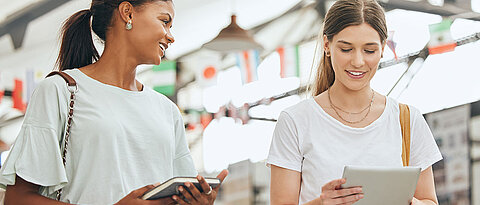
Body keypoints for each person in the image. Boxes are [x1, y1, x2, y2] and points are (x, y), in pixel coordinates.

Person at [0, 0, 227, 204]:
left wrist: (196, 201)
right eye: (164, 21)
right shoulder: (60, 90)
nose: (170, 36)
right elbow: (17, 199)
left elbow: (176, 194)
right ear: (127, 13)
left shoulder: (167, 110)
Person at [267, 0, 442, 204]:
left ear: (383, 48)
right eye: (346, 49)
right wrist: (322, 202)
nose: (358, 61)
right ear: (327, 45)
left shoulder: (407, 119)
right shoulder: (295, 121)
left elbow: (429, 200)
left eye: (369, 51)